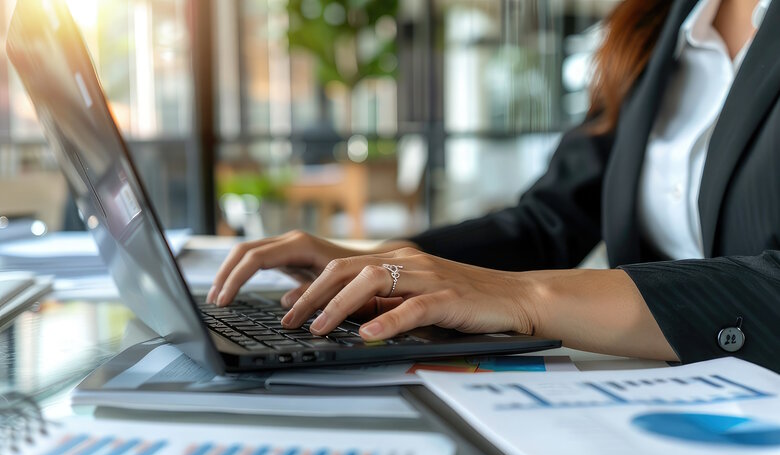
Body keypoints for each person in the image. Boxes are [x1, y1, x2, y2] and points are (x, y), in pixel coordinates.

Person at [208, 0, 780, 372]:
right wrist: (377, 263)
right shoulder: (657, 25)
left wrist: (529, 298)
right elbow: (548, 221)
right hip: (653, 397)